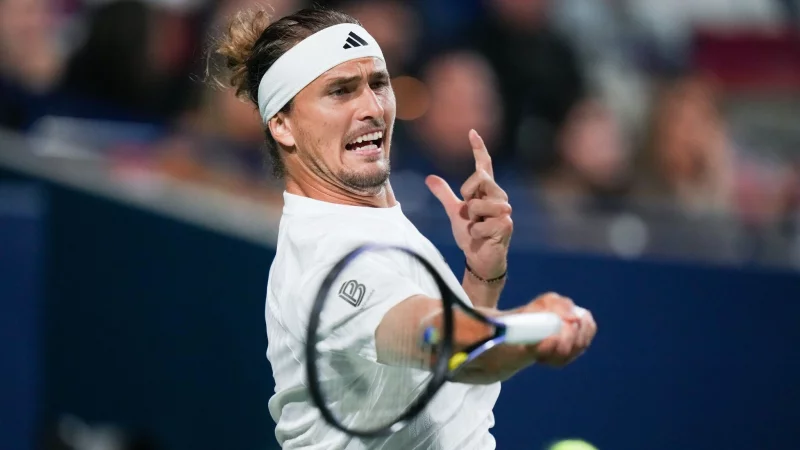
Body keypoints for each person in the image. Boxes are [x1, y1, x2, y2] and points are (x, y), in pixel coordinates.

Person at [212, 6, 597, 449]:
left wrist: (481, 275)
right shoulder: (328, 259)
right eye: (340, 91)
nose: (372, 107)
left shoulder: (365, 221)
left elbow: (445, 382)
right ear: (282, 125)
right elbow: (440, 341)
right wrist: (533, 328)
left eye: (378, 83)